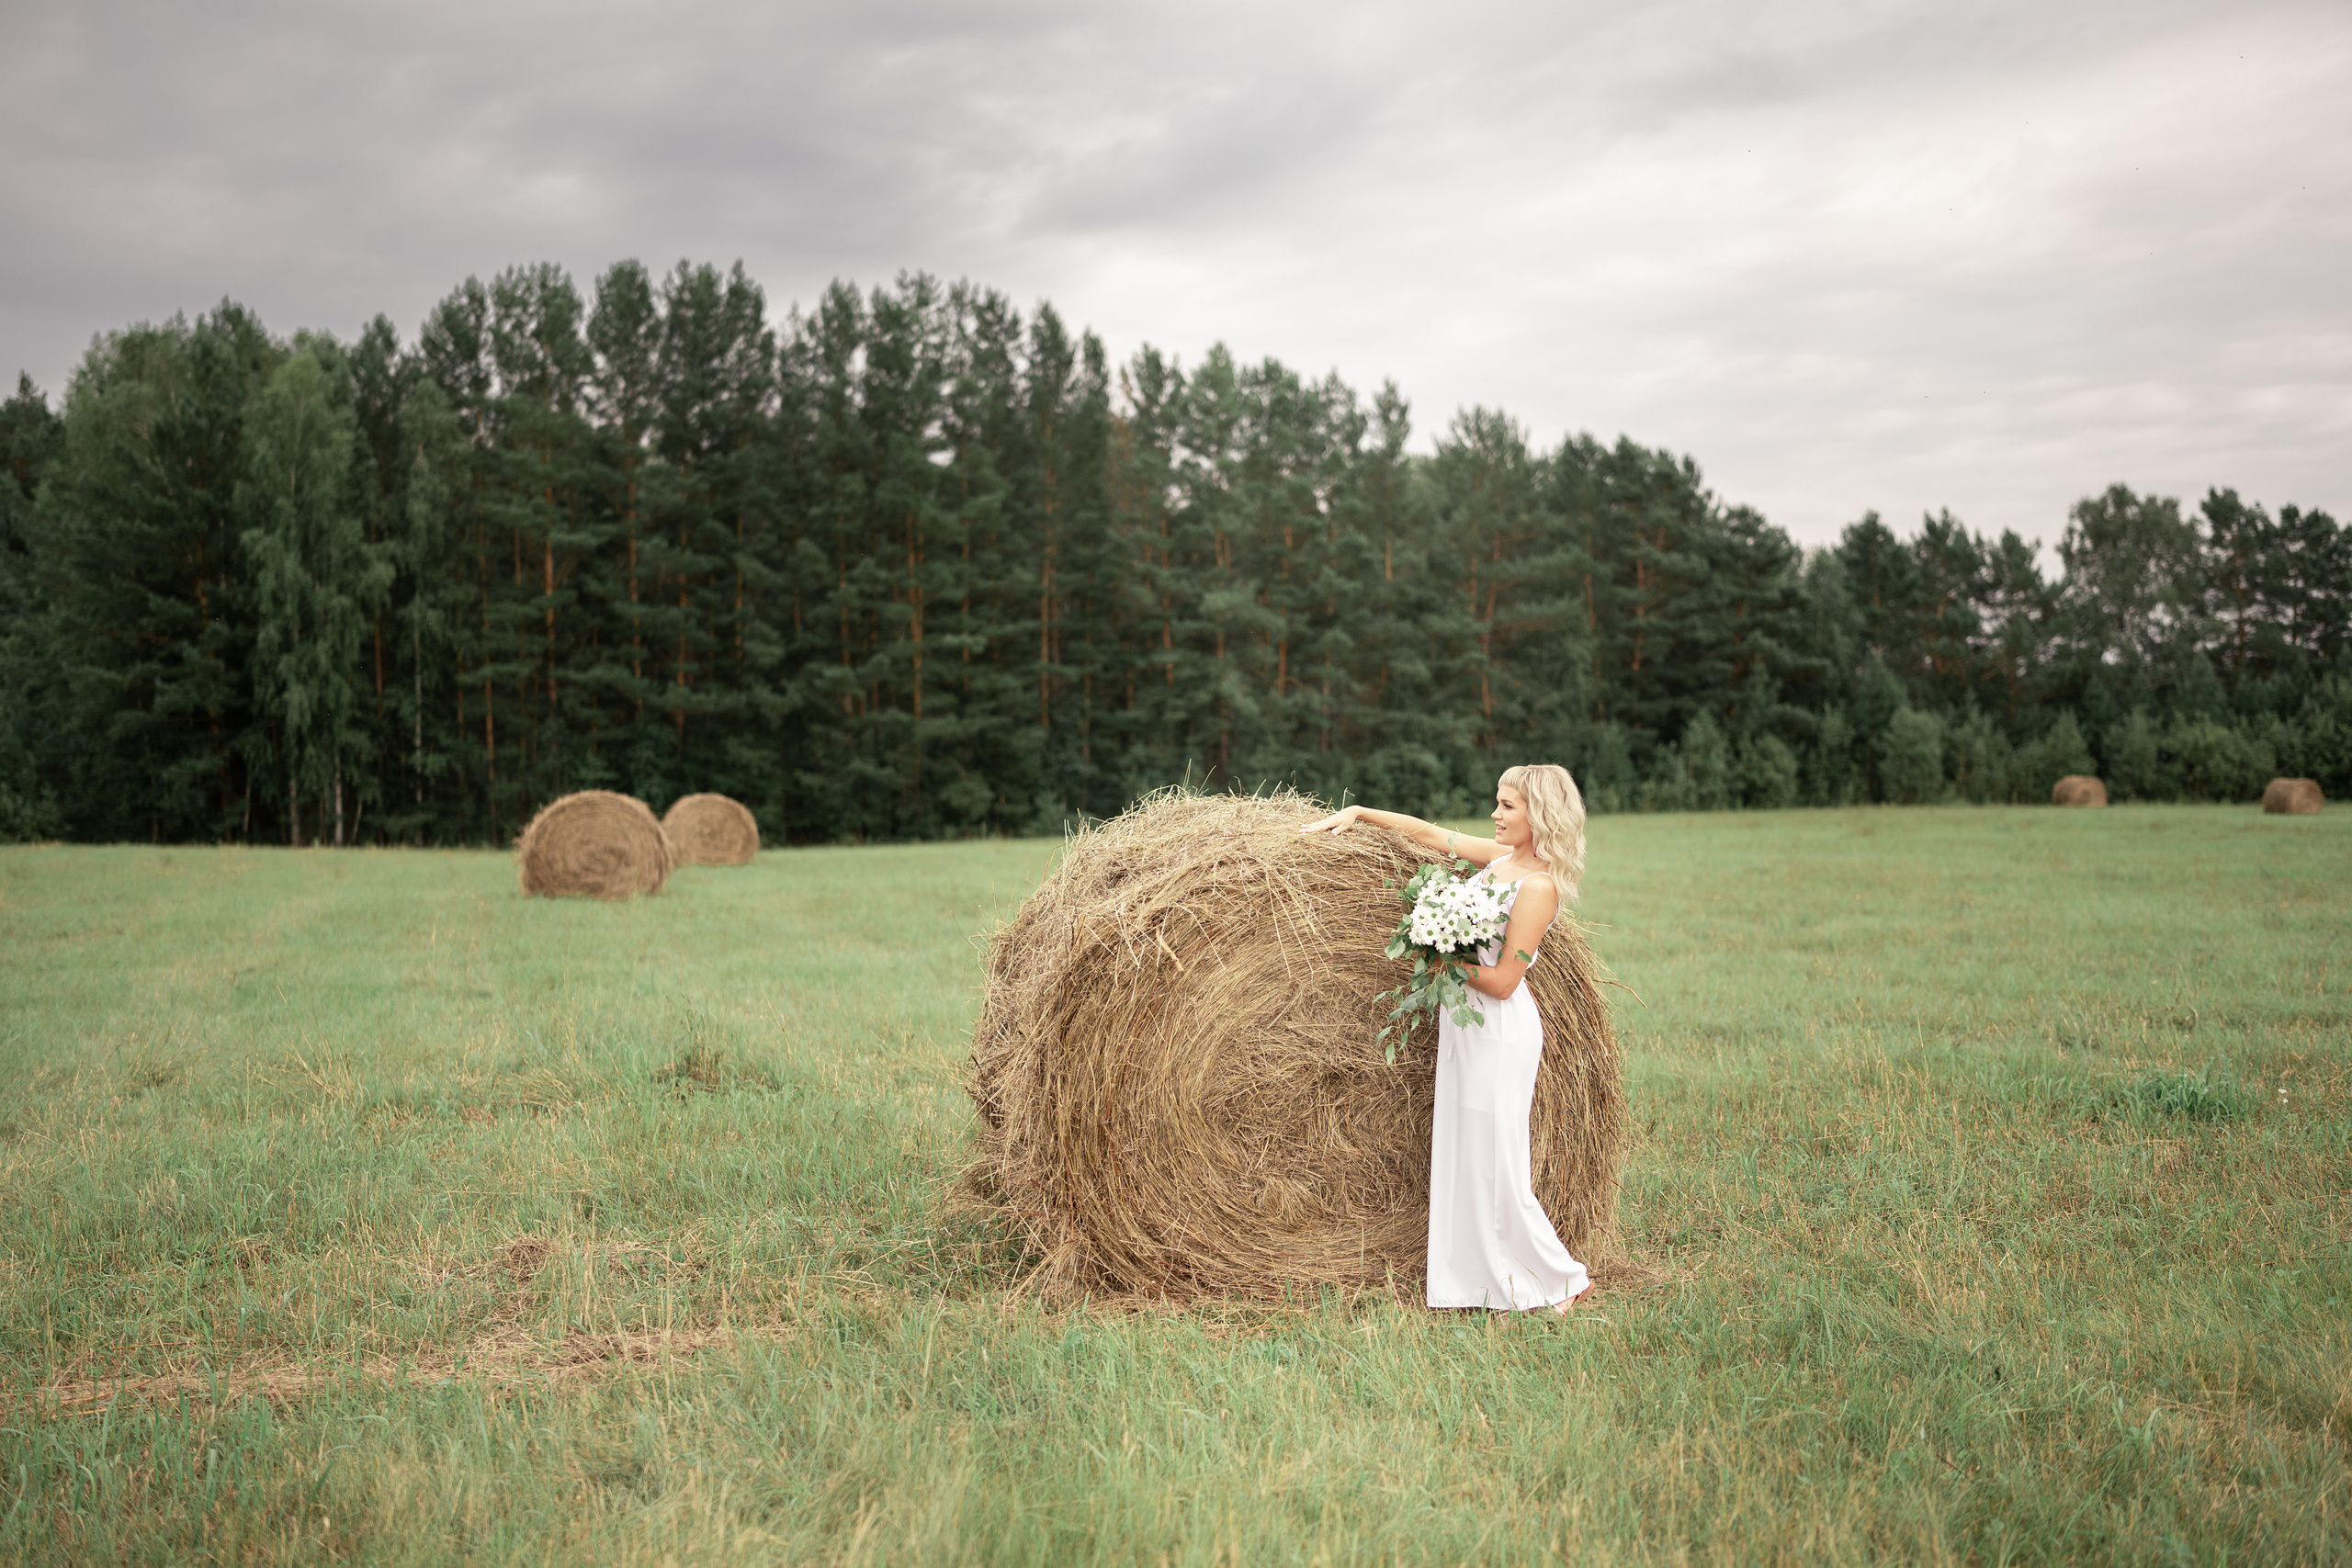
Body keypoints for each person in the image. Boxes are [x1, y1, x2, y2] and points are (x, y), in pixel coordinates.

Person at [1298, 765, 1593, 1314]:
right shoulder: (1503, 862)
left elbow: (1505, 982)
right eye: (1497, 803)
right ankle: (1484, 1283)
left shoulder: (1538, 887)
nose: (1495, 814)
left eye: (1508, 806)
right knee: (1469, 1156)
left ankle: (1561, 1280)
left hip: (1500, 1034)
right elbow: (1432, 834)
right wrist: (1359, 813)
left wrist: (1439, 959)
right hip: (1466, 1026)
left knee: (1499, 1160)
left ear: (1540, 815)